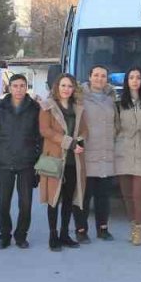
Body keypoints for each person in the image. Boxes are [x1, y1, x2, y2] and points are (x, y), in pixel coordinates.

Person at [38, 73, 87, 251]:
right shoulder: (47, 107)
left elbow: (83, 129)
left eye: (70, 86)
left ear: (74, 89)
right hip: (55, 158)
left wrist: (80, 141)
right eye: (63, 85)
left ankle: (65, 234)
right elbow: (46, 131)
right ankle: (53, 235)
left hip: (74, 160)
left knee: (68, 199)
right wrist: (70, 143)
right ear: (57, 87)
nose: (66, 89)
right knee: (54, 198)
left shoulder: (78, 107)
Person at [0, 74, 42, 249]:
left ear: (26, 87)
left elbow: (39, 136)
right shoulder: (0, 108)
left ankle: (21, 235)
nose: (19, 89)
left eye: (22, 86)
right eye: (15, 86)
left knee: (26, 203)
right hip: (4, 161)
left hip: (27, 163)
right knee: (3, 202)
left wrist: (38, 160)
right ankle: (4, 236)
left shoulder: (35, 108)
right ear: (9, 88)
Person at [77, 65, 118, 242]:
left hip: (106, 153)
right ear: (89, 77)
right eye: (96, 75)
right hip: (87, 153)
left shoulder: (111, 99)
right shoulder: (79, 98)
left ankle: (103, 228)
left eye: (103, 76)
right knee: (84, 196)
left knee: (103, 196)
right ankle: (81, 230)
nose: (99, 79)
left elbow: (116, 123)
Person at [114, 67, 141, 246]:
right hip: (123, 151)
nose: (135, 80)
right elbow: (114, 125)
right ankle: (132, 224)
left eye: (138, 77)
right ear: (127, 81)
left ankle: (139, 228)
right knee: (127, 194)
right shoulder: (118, 101)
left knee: (139, 193)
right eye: (131, 77)